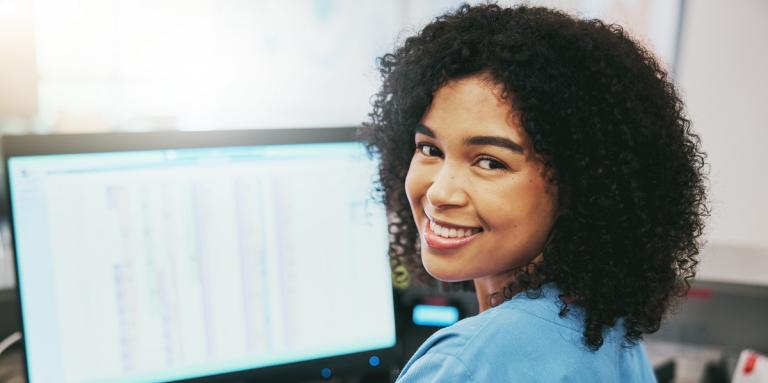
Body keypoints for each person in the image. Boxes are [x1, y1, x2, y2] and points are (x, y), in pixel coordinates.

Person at [362, 3, 708, 382]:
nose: (440, 192)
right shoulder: (606, 328)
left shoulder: (466, 363)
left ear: (576, 188)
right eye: (430, 149)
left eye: (490, 162)